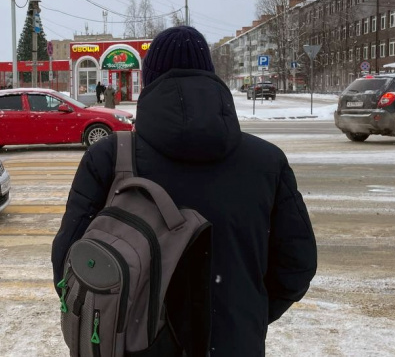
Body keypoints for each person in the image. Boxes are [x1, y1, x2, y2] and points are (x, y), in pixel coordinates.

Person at [51, 26, 317, 356]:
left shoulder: (108, 159)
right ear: (210, 75)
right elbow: (297, 265)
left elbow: (71, 263)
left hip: (132, 347)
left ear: (149, 81)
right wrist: (247, 314)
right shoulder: (266, 162)